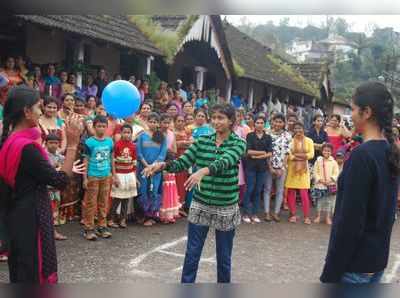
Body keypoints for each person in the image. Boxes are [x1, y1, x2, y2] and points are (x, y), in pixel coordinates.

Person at [143, 103, 246, 283]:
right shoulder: (202, 142)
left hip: (226, 206)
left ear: (231, 121)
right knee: (192, 253)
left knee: (223, 257)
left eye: (221, 118)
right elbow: (182, 162)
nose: (216, 121)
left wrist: (203, 171)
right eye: (213, 117)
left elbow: (226, 160)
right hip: (201, 203)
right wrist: (163, 166)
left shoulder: (239, 144)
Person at [0, 86, 83, 283]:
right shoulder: (27, 148)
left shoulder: (10, 140)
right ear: (27, 112)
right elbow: (60, 181)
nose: (41, 111)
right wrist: (72, 145)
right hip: (32, 217)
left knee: (20, 270)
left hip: (15, 215)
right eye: (38, 107)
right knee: (33, 272)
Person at [321, 82, 400, 284]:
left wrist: (330, 273)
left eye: (353, 109)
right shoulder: (389, 151)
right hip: (375, 263)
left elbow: (349, 223)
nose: (351, 115)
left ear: (366, 112)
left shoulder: (362, 157)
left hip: (354, 268)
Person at [82, 115, 114, 241]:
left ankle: (102, 226)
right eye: (99, 126)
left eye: (103, 126)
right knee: (91, 203)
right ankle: (88, 228)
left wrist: (114, 174)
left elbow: (112, 158)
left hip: (106, 175)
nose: (101, 129)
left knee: (103, 202)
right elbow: (86, 160)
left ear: (107, 127)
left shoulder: (110, 141)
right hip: (93, 176)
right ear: (94, 127)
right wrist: (85, 178)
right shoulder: (89, 142)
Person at [136, 113, 167, 227]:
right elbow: (139, 153)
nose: (153, 123)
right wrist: (147, 166)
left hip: (156, 170)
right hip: (143, 169)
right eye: (151, 121)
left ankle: (152, 215)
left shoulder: (161, 137)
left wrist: (153, 167)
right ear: (147, 122)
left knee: (154, 191)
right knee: (143, 190)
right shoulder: (142, 136)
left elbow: (162, 154)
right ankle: (143, 215)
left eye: (155, 122)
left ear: (158, 124)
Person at [242, 115, 272, 223]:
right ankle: (245, 213)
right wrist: (262, 152)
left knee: (258, 190)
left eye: (261, 123)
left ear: (265, 124)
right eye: (257, 123)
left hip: (262, 168)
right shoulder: (250, 135)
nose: (259, 125)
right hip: (251, 167)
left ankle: (254, 214)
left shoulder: (268, 137)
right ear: (254, 124)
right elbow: (248, 151)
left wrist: (258, 156)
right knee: (249, 189)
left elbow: (269, 153)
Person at [264, 113, 292, 222]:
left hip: (281, 167)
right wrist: (270, 167)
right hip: (268, 166)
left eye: (280, 122)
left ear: (284, 123)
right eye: (276, 121)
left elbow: (287, 153)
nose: (278, 124)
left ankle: (276, 213)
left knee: (280, 191)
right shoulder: (267, 133)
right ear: (272, 121)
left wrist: (282, 167)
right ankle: (266, 212)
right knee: (267, 189)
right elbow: (266, 151)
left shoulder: (287, 135)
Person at [108, 124, 137, 229]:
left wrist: (135, 177)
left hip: (129, 175)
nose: (126, 134)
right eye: (124, 132)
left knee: (126, 198)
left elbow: (134, 163)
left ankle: (122, 219)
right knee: (117, 198)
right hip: (119, 174)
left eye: (129, 132)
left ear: (131, 134)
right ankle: (111, 219)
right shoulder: (117, 145)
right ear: (121, 133)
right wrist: (114, 176)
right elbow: (113, 162)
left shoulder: (133, 146)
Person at [285, 122, 314, 224]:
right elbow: (289, 155)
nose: (298, 130)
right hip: (292, 170)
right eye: (296, 128)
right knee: (291, 192)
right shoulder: (290, 141)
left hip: (304, 171)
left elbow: (311, 154)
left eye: (300, 128)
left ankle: (306, 216)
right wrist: (300, 156)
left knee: (304, 193)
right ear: (293, 130)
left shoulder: (309, 141)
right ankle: (293, 214)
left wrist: (296, 156)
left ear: (303, 129)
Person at [45, 133, 67, 240]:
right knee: (46, 211)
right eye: (51, 143)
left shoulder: (60, 157)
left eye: (56, 143)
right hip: (46, 189)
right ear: (46, 143)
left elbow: (64, 168)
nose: (53, 145)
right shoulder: (43, 155)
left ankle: (52, 232)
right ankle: (48, 232)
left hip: (55, 189)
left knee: (54, 210)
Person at [159, 114, 181, 224]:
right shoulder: (157, 134)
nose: (166, 125)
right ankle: (161, 213)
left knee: (170, 186)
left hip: (170, 161)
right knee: (163, 187)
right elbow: (156, 150)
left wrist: (170, 156)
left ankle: (170, 213)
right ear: (160, 123)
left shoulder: (172, 134)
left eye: (168, 122)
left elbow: (175, 150)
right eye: (164, 122)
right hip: (160, 162)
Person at [312, 143, 339, 225]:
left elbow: (336, 172)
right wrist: (320, 180)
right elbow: (315, 172)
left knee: (328, 202)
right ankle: (318, 216)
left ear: (331, 152)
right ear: (322, 151)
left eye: (328, 151)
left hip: (330, 185)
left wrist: (331, 180)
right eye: (325, 150)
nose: (326, 152)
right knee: (319, 201)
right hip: (320, 185)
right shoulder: (318, 161)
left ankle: (328, 217)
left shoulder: (334, 162)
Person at [174, 114, 193, 215]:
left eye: (182, 121)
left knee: (183, 183)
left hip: (185, 160)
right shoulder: (172, 132)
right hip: (175, 159)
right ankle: (174, 207)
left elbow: (191, 144)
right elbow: (173, 145)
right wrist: (182, 143)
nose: (181, 123)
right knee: (175, 183)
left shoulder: (187, 132)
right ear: (175, 122)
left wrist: (183, 143)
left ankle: (181, 207)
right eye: (178, 121)